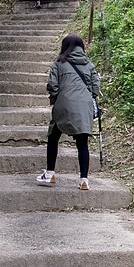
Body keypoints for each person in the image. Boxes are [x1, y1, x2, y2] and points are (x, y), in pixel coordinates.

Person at [36, 33, 100, 190]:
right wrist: (89, 97)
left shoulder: (59, 63)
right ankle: (84, 179)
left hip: (64, 103)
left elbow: (52, 85)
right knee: (82, 142)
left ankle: (50, 173)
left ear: (65, 47)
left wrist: (56, 98)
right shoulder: (89, 64)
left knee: (53, 137)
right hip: (84, 104)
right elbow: (95, 86)